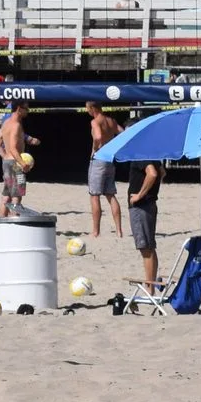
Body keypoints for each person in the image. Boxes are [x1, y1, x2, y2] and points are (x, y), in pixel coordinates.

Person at [84, 103, 124, 238]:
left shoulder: (95, 121)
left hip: (99, 159)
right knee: (110, 194)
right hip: (109, 159)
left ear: (92, 108)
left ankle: (96, 231)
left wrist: (96, 148)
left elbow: (98, 137)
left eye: (87, 108)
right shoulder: (111, 121)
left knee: (94, 195)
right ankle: (119, 231)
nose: (87, 111)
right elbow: (123, 133)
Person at [127, 157, 165, 294]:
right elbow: (162, 172)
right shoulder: (152, 154)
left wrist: (140, 195)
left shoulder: (141, 153)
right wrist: (152, 191)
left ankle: (150, 289)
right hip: (149, 204)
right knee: (150, 247)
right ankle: (151, 286)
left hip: (141, 207)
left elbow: (153, 174)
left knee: (146, 249)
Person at [0, 106, 34, 218]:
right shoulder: (16, 125)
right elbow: (13, 148)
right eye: (26, 108)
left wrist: (5, 157)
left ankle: (2, 222)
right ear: (19, 108)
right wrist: (22, 163)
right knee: (16, 196)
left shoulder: (6, 123)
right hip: (16, 163)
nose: (28, 110)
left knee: (6, 196)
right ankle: (14, 222)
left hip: (7, 162)